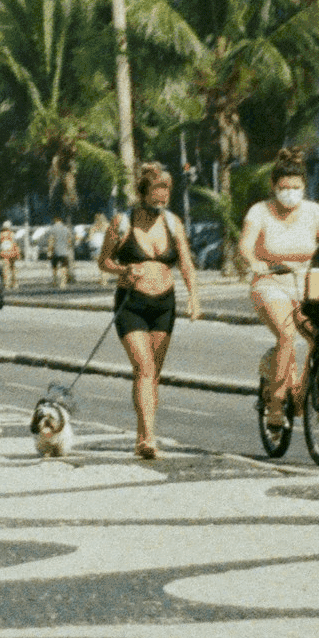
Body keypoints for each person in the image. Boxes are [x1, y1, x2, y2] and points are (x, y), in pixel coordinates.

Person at [240, 147, 319, 443]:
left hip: (305, 284)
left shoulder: (314, 212)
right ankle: (275, 405)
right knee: (286, 335)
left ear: (304, 188)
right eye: (284, 188)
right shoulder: (260, 212)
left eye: (296, 188)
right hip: (270, 283)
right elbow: (244, 245)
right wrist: (255, 263)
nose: (290, 194)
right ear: (273, 186)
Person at [106, 162, 202, 462]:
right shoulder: (122, 222)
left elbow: (185, 261)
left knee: (152, 375)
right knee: (144, 368)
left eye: (167, 191)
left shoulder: (173, 223)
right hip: (131, 303)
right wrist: (123, 269)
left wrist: (194, 296)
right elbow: (104, 260)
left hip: (164, 303)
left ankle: (142, 433)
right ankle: (149, 437)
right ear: (143, 192)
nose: (162, 197)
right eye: (157, 190)